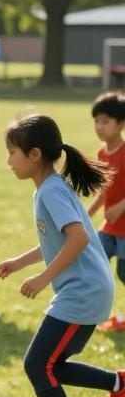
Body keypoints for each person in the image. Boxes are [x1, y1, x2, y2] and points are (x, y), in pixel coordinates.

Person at [0, 114, 125, 397]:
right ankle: (119, 385)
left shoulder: (51, 191)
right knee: (51, 365)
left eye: (12, 153)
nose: (8, 161)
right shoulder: (50, 188)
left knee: (38, 365)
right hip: (87, 290)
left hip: (82, 293)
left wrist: (41, 279)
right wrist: (19, 263)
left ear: (34, 154)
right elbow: (56, 240)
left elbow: (79, 238)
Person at [87, 92, 125, 331]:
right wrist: (85, 215)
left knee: (124, 272)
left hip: (124, 228)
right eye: (96, 121)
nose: (99, 127)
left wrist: (120, 207)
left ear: (120, 124)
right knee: (95, 266)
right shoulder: (102, 154)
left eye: (105, 121)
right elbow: (103, 191)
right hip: (108, 227)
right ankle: (94, 314)